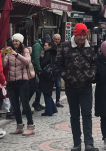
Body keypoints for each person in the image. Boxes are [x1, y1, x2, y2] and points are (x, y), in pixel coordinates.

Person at [54, 23, 98, 151]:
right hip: (71, 87)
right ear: (75, 34)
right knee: (74, 115)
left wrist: (92, 73)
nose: (82, 38)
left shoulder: (89, 47)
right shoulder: (65, 47)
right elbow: (57, 65)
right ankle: (76, 143)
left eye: (84, 35)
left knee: (87, 114)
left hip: (86, 87)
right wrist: (67, 76)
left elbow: (94, 64)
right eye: (80, 35)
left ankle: (89, 143)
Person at [3, 33, 35, 136]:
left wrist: (16, 54)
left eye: (17, 41)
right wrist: (3, 55)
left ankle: (30, 126)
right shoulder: (9, 50)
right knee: (15, 104)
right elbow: (4, 64)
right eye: (14, 41)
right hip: (12, 81)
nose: (15, 43)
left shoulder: (25, 50)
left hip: (23, 80)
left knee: (25, 103)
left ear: (20, 41)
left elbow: (27, 61)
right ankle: (19, 126)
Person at [30, 35, 49, 111]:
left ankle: (37, 102)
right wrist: (39, 70)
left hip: (38, 68)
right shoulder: (37, 46)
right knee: (35, 87)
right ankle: (33, 103)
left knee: (39, 87)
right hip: (36, 69)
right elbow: (36, 58)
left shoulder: (40, 46)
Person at [39, 41, 58, 116]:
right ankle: (53, 109)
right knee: (48, 93)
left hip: (46, 75)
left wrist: (41, 58)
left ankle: (49, 111)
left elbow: (42, 64)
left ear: (50, 46)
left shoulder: (48, 54)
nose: (44, 47)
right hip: (52, 75)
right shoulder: (54, 53)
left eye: (45, 45)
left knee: (46, 93)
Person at [52, 34, 64, 108]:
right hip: (51, 69)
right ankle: (50, 101)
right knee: (50, 86)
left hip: (58, 69)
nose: (57, 41)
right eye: (56, 39)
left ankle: (57, 101)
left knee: (58, 86)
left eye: (58, 39)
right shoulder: (50, 46)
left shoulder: (62, 47)